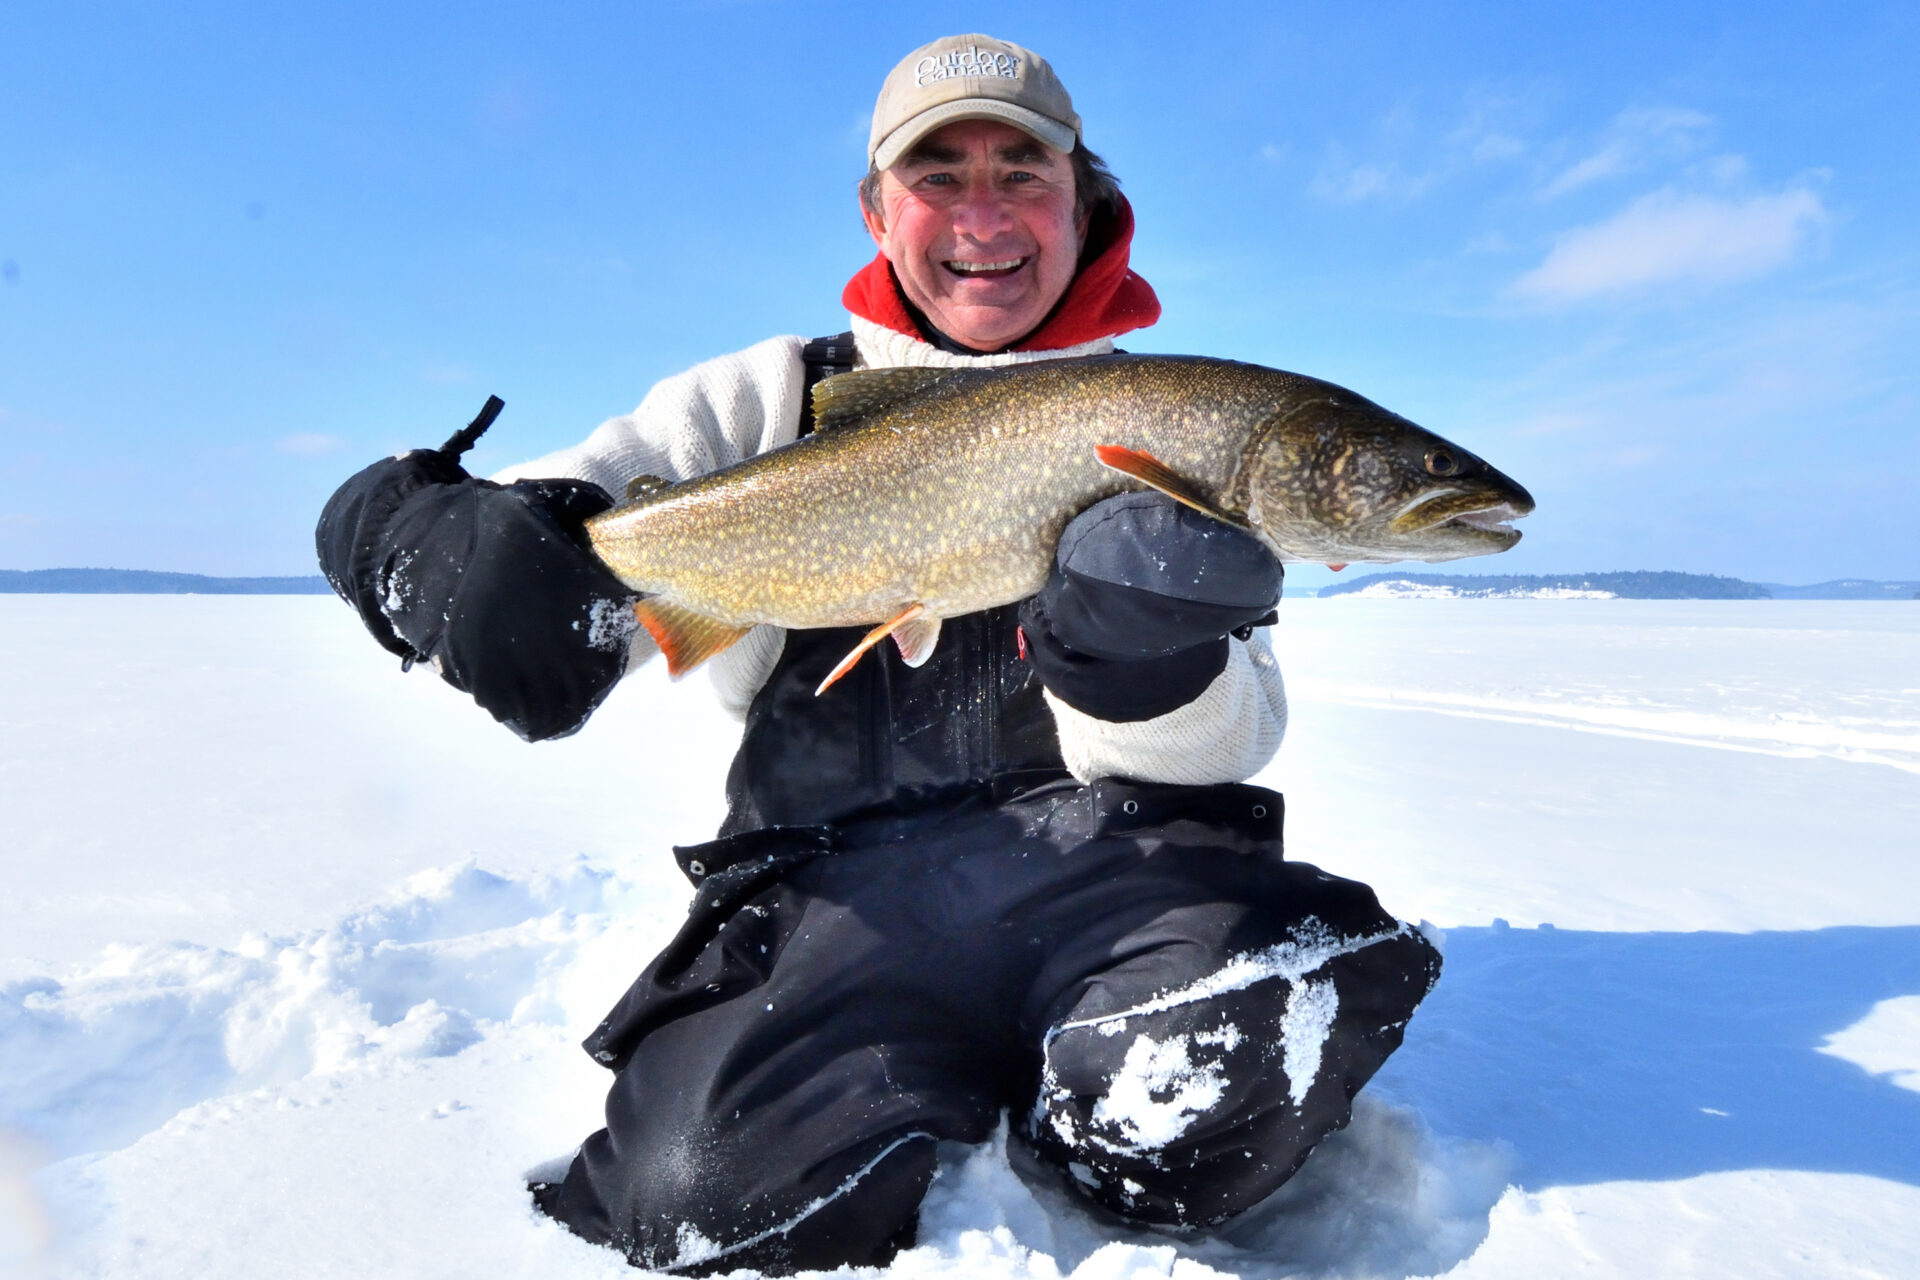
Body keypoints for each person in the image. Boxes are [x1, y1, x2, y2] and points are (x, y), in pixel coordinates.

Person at [316, 34, 1441, 1276]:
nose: (984, 214)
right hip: (831, 902)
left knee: (1250, 1040)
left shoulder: (1177, 416)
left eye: (1023, 172)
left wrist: (1143, 663)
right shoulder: (761, 400)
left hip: (1114, 873)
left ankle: (1084, 1118)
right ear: (877, 210)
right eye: (938, 175)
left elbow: (1239, 733)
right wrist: (420, 534)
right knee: (695, 1198)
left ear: (1087, 202)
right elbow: (554, 519)